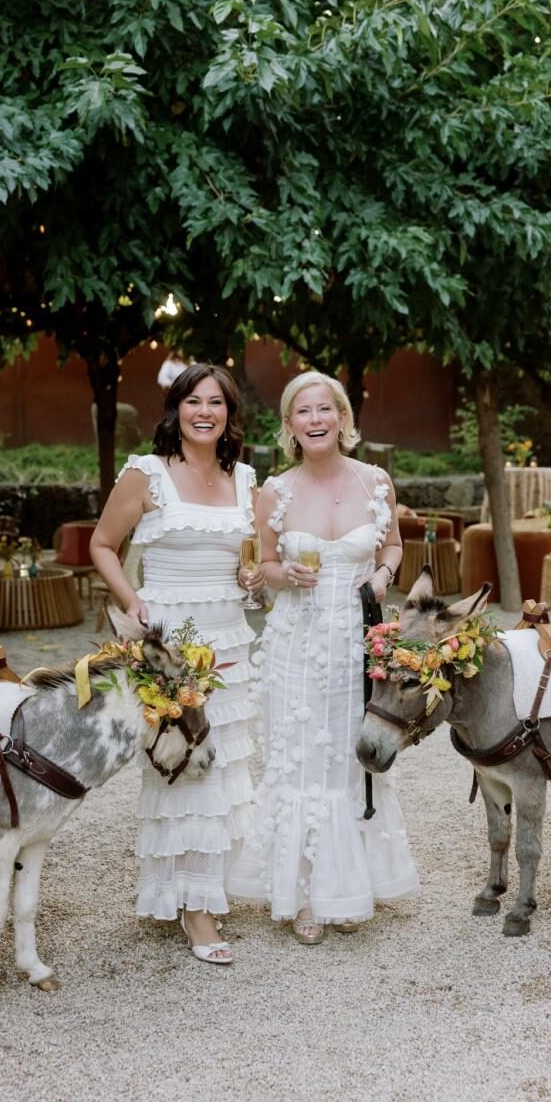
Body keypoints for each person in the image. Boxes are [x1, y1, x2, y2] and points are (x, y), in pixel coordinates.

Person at [227, 371, 419, 943]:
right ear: (289, 427)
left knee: (349, 755)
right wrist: (281, 573)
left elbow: (393, 544)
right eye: (302, 413)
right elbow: (258, 568)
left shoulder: (376, 482)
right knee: (303, 760)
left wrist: (384, 575)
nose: (314, 420)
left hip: (358, 640)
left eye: (324, 410)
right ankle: (305, 893)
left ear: (341, 418)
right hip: (296, 643)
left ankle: (353, 880)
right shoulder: (275, 493)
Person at [90, 363, 258, 965]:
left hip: (230, 644)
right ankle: (192, 908)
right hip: (169, 645)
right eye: (193, 401)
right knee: (183, 767)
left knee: (224, 769)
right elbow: (102, 545)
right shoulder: (147, 474)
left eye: (216, 402)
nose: (205, 412)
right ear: (176, 409)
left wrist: (251, 577)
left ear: (229, 413)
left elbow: (250, 565)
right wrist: (130, 600)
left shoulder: (245, 480)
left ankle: (206, 887)